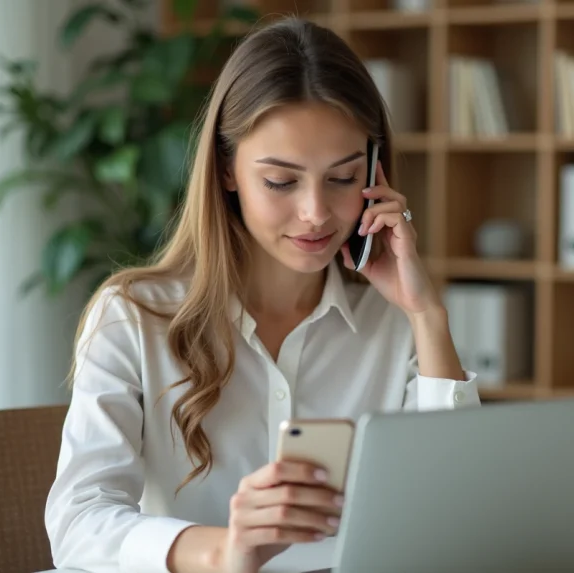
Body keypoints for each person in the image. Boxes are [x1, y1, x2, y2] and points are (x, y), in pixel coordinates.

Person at [44, 15, 480, 573]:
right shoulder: (133, 319)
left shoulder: (392, 321)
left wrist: (428, 315)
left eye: (344, 178)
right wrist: (225, 551)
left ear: (374, 172)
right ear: (227, 170)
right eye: (281, 181)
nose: (316, 213)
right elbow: (78, 523)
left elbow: (455, 514)